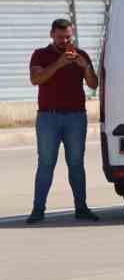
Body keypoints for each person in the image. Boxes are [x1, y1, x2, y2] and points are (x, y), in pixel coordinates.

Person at [27, 18, 99, 224]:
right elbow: (36, 79)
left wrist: (84, 66)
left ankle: (81, 207)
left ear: (72, 34)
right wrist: (59, 63)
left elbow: (93, 84)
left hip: (76, 117)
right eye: (60, 37)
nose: (64, 41)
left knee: (76, 164)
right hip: (48, 117)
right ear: (51, 35)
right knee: (46, 163)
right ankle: (38, 209)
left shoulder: (81, 55)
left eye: (68, 36)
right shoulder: (40, 54)